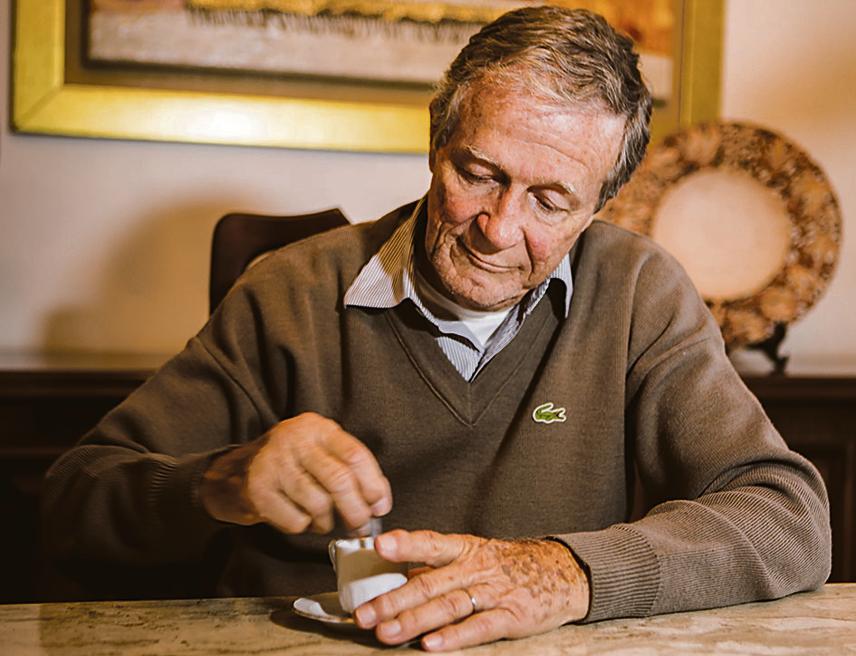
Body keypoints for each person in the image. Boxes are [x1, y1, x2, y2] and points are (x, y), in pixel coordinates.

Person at [42, 5, 830, 652]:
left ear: (599, 205)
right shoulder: (291, 291)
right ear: (434, 144)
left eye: (550, 201)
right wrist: (220, 481)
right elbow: (73, 501)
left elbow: (788, 518)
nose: (498, 228)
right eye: (478, 174)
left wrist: (564, 573)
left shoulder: (638, 292)